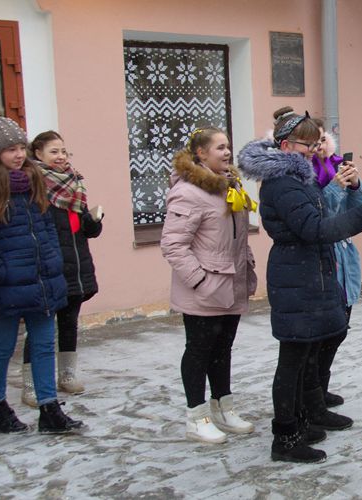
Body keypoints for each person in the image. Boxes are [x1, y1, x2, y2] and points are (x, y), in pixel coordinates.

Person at [238, 107, 362, 463]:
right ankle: (286, 438)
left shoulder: (298, 178)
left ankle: (303, 420)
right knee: (292, 360)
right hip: (296, 274)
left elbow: (321, 214)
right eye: (305, 144)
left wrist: (351, 194)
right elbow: (316, 228)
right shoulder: (282, 182)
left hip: (307, 271)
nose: (312, 149)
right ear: (285, 144)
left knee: (307, 354)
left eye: (314, 142)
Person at [0, 100, 83, 434]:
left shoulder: (33, 180)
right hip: (6, 283)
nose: (18, 155)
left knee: (44, 344)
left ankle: (49, 409)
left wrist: (53, 261)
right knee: (2, 347)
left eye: (20, 148)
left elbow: (44, 226)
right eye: (10, 149)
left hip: (42, 279)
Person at [161, 127, 258, 444]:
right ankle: (196, 416)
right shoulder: (188, 192)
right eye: (220, 147)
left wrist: (247, 262)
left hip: (230, 284)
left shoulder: (229, 186)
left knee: (222, 350)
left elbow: (237, 234)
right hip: (204, 290)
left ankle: (223, 408)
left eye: (228, 146)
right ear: (201, 154)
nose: (227, 152)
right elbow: (174, 245)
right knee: (199, 352)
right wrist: (200, 281)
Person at [17, 131, 103, 407]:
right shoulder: (35, 187)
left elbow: (87, 231)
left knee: (69, 322)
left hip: (76, 265)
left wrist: (95, 220)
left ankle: (67, 374)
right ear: (38, 155)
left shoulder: (75, 184)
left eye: (64, 151)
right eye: (54, 152)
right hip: (49, 267)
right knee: (40, 328)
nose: (61, 157)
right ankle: (30, 385)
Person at [311, 119, 362, 408]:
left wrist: (355, 185)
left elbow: (356, 215)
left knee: (340, 328)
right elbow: (323, 216)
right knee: (325, 332)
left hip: (344, 258)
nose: (319, 146)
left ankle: (322, 384)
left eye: (323, 140)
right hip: (323, 259)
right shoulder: (306, 174)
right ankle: (314, 392)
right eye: (314, 140)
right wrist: (334, 188)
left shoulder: (335, 166)